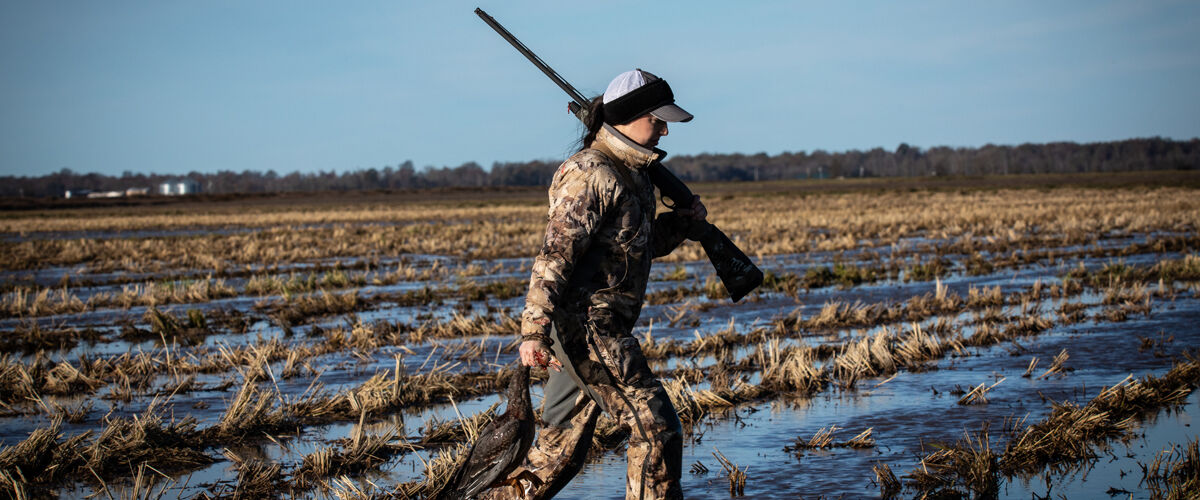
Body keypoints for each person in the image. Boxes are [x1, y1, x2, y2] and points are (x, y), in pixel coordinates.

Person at [486, 69, 707, 500]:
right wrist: (533, 331)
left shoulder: (635, 174)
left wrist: (683, 225)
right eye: (657, 119)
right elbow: (554, 259)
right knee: (655, 427)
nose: (664, 129)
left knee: (556, 456)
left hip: (598, 329)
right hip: (587, 328)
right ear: (628, 117)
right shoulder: (592, 173)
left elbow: (631, 248)